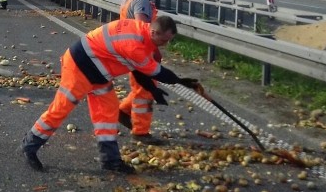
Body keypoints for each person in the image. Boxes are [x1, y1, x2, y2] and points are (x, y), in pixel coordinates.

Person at [20, 16, 204, 174]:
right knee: (61, 109)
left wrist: (155, 89)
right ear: (155, 32)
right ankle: (30, 145)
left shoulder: (142, 32)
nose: (166, 44)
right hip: (80, 67)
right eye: (164, 40)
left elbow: (138, 70)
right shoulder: (135, 45)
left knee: (108, 114)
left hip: (99, 72)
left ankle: (111, 160)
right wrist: (181, 81)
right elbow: (156, 72)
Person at [117, 0, 164, 144]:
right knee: (145, 91)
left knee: (141, 88)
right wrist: (155, 50)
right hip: (140, 51)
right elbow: (143, 29)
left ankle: (122, 111)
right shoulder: (141, 0)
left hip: (130, 50)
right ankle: (140, 131)